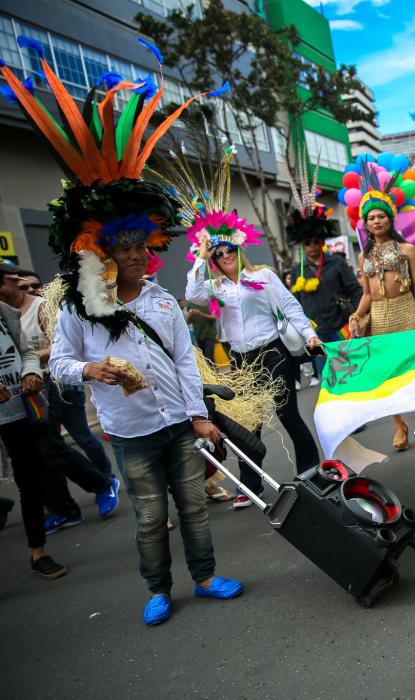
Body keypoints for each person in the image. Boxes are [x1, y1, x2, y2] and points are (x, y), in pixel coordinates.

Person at [2, 49, 245, 624]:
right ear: (102, 254)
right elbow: (60, 362)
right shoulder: (80, 310)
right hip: (130, 432)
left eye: (142, 248)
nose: (137, 257)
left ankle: (206, 575)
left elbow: (186, 361)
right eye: (125, 250)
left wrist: (199, 414)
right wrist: (91, 370)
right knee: (147, 515)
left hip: (177, 425)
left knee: (194, 509)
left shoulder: (161, 300)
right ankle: (158, 588)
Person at [178, 148, 323, 503]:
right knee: (248, 423)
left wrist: (310, 334)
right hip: (241, 360)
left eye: (229, 250)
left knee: (289, 415)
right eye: (219, 253)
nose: (225, 256)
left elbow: (290, 306)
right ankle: (251, 486)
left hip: (273, 353)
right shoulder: (214, 286)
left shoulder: (263, 276)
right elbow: (191, 293)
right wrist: (201, 253)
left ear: (239, 250)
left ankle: (310, 473)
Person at [0, 262, 118, 533]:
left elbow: (60, 346)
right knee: (43, 452)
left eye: (30, 285)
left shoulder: (39, 307)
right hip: (22, 394)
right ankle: (63, 507)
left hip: (55, 385)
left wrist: (27, 362)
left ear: (12, 280)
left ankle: (103, 482)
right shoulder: (6, 311)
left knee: (72, 438)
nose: (29, 288)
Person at [348, 165, 415, 451]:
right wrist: (357, 315)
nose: (377, 221)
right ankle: (399, 424)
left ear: (390, 218)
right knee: (387, 373)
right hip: (380, 317)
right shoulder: (364, 254)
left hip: (406, 309)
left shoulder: (407, 250)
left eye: (381, 215)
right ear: (366, 224)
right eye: (371, 218)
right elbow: (368, 294)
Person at [0, 298, 66, 579]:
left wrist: (31, 372)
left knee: (29, 481)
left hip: (19, 411)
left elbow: (26, 351)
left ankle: (38, 552)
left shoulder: (4, 312)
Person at [292, 232, 362, 377]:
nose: (312, 245)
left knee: (354, 371)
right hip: (314, 335)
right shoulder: (297, 270)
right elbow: (294, 303)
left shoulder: (337, 262)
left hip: (342, 328)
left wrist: (359, 316)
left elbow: (356, 290)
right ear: (302, 246)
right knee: (326, 376)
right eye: (307, 242)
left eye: (315, 240)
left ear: (322, 241)